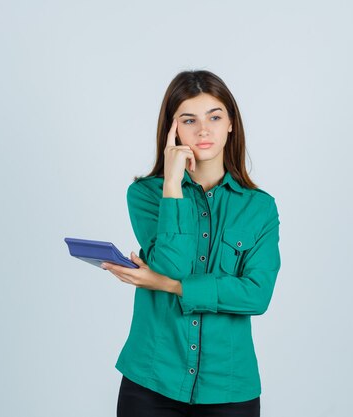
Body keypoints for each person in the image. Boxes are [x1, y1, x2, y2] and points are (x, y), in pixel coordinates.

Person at [100, 69, 282, 417]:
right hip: (151, 381)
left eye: (215, 116)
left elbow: (257, 295)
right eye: (189, 119)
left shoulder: (259, 207)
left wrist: (166, 286)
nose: (203, 130)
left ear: (231, 123)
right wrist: (171, 184)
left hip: (228, 388)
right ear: (173, 129)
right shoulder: (146, 195)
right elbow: (173, 263)